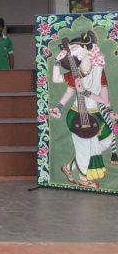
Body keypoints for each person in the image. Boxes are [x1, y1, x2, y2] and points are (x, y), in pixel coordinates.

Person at [49, 32, 117, 188]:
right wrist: (57, 63)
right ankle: (83, 180)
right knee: (84, 148)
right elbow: (58, 81)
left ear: (87, 49)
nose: (70, 51)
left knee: (106, 139)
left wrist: (109, 109)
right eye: (69, 49)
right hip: (77, 114)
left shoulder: (99, 70)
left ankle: (68, 167)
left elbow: (104, 94)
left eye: (74, 47)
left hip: (95, 114)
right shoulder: (75, 72)